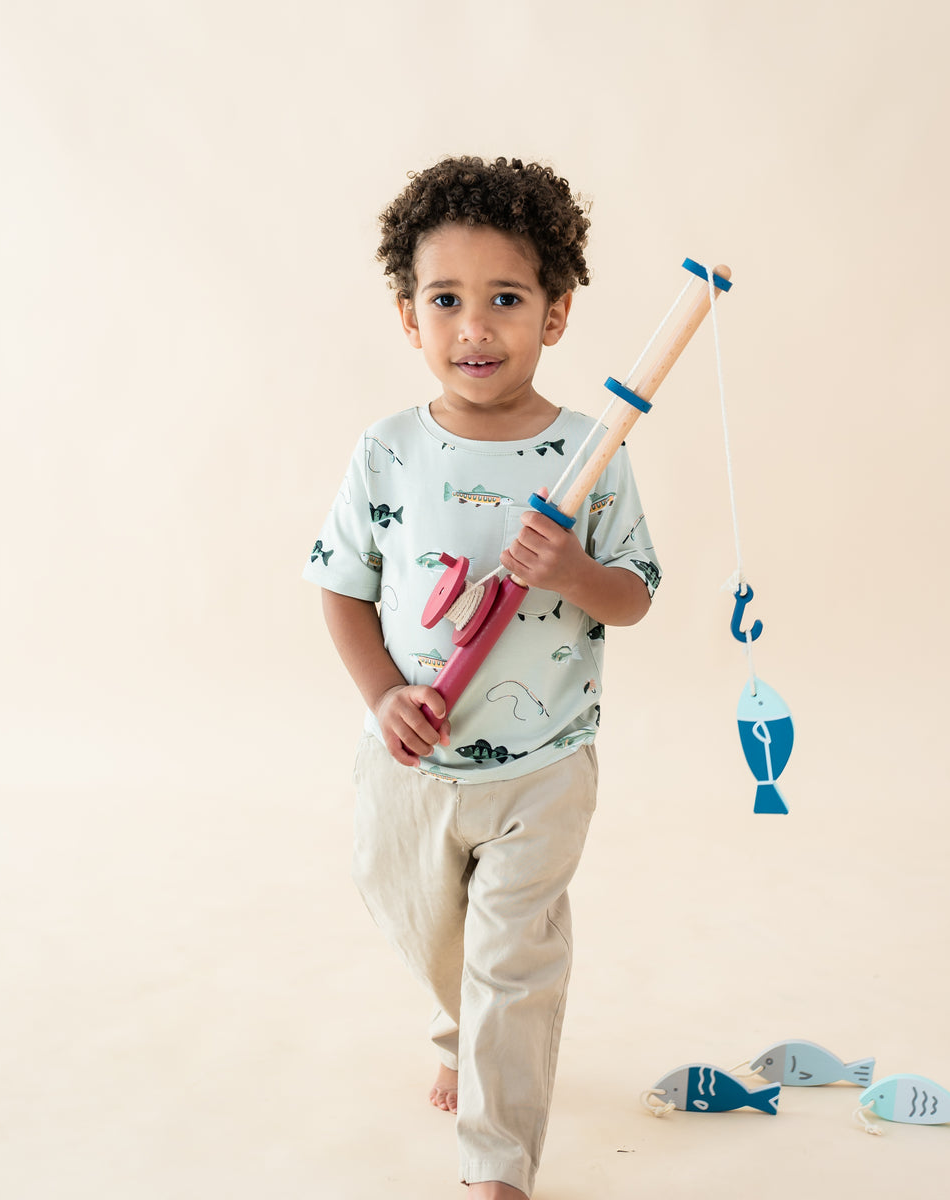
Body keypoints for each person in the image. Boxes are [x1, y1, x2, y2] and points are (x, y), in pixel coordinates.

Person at [303, 155, 662, 1199]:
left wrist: (576, 571)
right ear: (408, 316)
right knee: (421, 919)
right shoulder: (389, 451)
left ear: (553, 315)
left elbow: (635, 596)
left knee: (515, 960)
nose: (475, 328)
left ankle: (497, 1165)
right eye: (446, 300)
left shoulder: (590, 453)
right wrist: (381, 696)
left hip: (543, 763)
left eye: (506, 299)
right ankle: (459, 1026)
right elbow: (340, 588)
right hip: (410, 764)